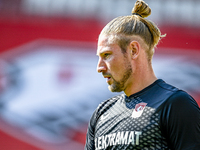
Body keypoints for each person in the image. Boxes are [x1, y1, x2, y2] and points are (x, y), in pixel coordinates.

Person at [85, 0, 200, 149]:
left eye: (106, 55)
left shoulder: (175, 104)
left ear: (133, 50)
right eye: (99, 57)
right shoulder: (101, 114)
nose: (99, 67)